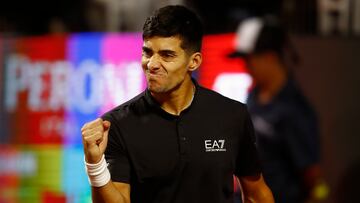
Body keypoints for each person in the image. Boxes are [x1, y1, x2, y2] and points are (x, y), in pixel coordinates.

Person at [81, 5, 274, 203]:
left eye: (167, 55)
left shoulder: (232, 115)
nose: (152, 64)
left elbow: (256, 194)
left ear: (194, 61)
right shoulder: (117, 125)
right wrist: (95, 165)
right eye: (147, 52)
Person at [229, 15, 329, 203]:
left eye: (248, 60)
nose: (246, 68)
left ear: (269, 57)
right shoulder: (254, 96)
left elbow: (313, 179)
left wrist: (319, 196)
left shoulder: (295, 110)